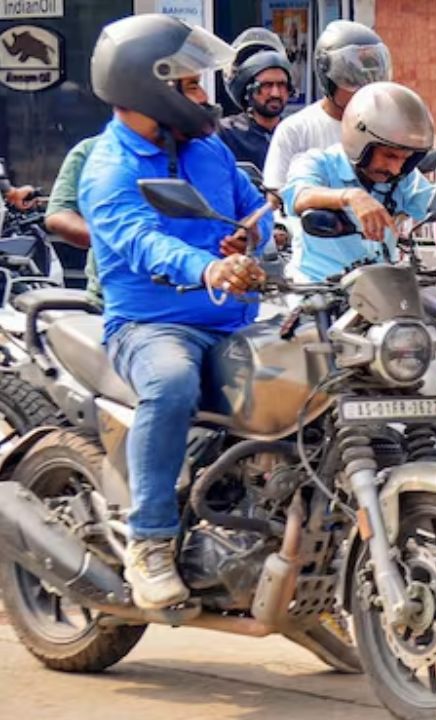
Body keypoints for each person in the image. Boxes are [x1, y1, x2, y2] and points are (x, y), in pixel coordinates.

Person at [79, 14, 271, 609]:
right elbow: (141, 243)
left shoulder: (208, 149)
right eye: (188, 85)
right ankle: (151, 541)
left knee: (319, 371)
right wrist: (208, 268)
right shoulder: (110, 168)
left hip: (234, 318)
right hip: (153, 324)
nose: (201, 97)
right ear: (146, 86)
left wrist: (251, 238)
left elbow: (250, 209)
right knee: (171, 383)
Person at [283, 81, 435, 282]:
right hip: (319, 293)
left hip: (382, 293)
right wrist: (350, 197)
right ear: (360, 141)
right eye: (389, 156)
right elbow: (299, 196)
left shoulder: (403, 178)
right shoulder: (317, 163)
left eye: (405, 159)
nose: (395, 169)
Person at [262, 20, 391, 191]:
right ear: (328, 80)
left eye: (371, 78)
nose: (362, 88)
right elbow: (276, 195)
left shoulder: (388, 128)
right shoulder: (295, 130)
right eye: (351, 80)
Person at [218, 32, 294, 170]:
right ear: (248, 90)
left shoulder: (296, 132)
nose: (275, 93)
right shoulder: (226, 134)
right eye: (266, 85)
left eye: (281, 85)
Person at [44, 135, 100, 303]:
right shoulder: (92, 150)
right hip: (116, 298)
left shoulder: (181, 153)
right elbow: (60, 213)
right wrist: (111, 239)